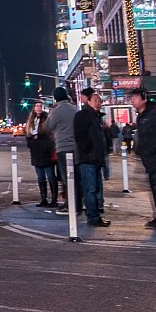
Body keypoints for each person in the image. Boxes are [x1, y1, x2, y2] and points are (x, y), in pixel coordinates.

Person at [129, 90, 156, 229]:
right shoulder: (142, 116)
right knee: (155, 189)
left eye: (135, 97)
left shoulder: (150, 116)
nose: (132, 100)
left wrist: (147, 151)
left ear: (144, 99)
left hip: (155, 158)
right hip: (149, 158)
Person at [73, 87, 110, 228]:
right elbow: (80, 136)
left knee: (94, 189)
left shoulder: (97, 117)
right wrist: (88, 150)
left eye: (99, 101)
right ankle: (93, 217)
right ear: (88, 101)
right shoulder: (82, 115)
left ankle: (95, 215)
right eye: (95, 100)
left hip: (96, 158)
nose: (98, 103)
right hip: (88, 159)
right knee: (90, 189)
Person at [43, 88, 80, 214]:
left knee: (66, 177)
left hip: (63, 147)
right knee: (76, 176)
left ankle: (70, 205)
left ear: (55, 98)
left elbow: (47, 127)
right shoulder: (74, 109)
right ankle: (78, 204)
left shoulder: (56, 111)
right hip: (75, 147)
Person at [25, 116, 60, 211]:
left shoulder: (47, 120)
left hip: (47, 154)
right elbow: (28, 135)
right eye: (37, 106)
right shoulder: (31, 121)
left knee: (51, 177)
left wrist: (48, 147)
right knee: (41, 177)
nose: (39, 108)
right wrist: (31, 143)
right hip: (36, 153)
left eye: (40, 106)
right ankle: (43, 199)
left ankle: (54, 199)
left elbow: (52, 135)